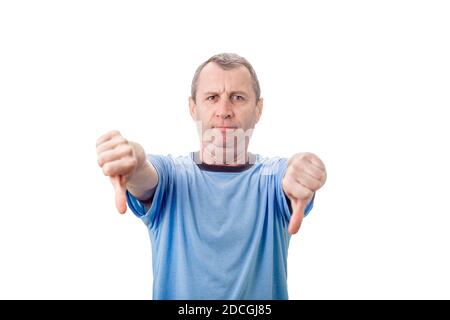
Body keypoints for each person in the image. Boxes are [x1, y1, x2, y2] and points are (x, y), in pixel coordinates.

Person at [95, 53, 327, 299]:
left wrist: (301, 172)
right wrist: (134, 163)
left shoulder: (272, 178)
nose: (224, 111)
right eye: (212, 98)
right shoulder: (172, 175)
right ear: (193, 108)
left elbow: (289, 178)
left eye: (237, 98)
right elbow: (145, 177)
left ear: (258, 109)